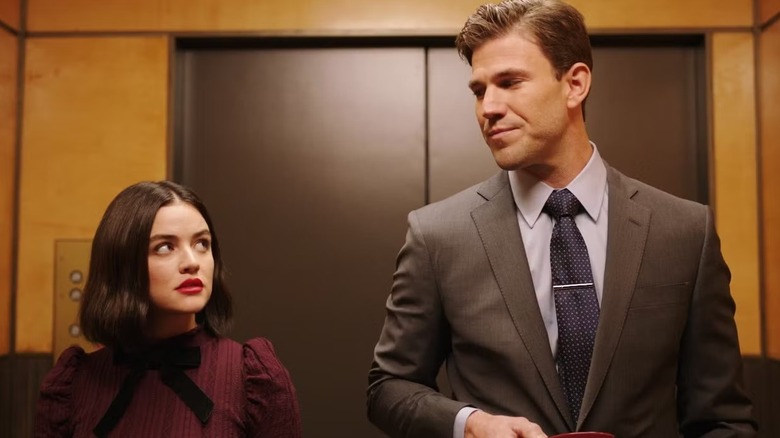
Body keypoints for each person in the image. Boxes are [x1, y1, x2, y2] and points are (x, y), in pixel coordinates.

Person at [366, 0, 757, 437]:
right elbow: (389, 387)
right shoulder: (438, 236)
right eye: (479, 91)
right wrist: (470, 425)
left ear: (575, 84)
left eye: (509, 82)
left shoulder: (684, 231)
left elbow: (722, 418)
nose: (488, 108)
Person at [35, 181, 302, 437]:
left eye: (201, 244)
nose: (191, 262)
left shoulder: (253, 380)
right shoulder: (74, 384)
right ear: (123, 265)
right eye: (165, 247)